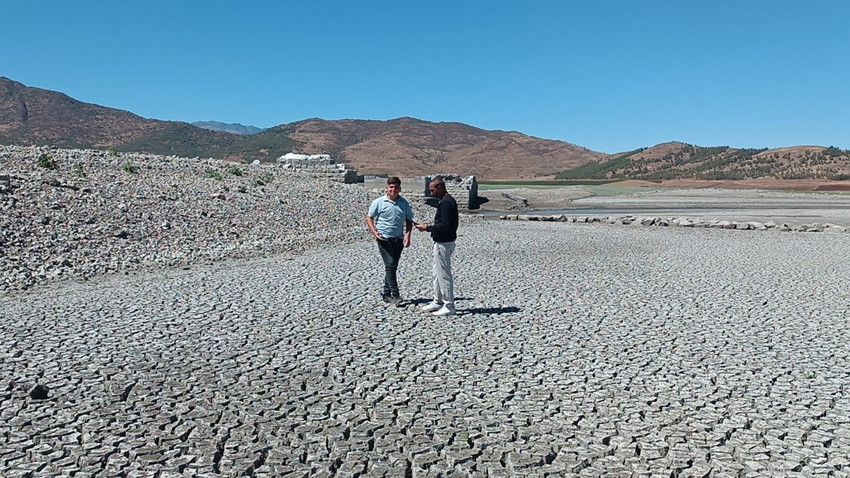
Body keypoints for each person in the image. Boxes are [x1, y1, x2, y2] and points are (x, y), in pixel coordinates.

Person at [366, 176, 414, 305]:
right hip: (383, 239)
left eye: (396, 187)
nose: (393, 190)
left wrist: (408, 235)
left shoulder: (404, 203)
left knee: (392, 267)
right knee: (390, 265)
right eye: (391, 187)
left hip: (398, 239)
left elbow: (409, 220)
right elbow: (369, 217)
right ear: (387, 188)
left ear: (400, 189)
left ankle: (386, 294)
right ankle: (396, 295)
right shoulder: (378, 202)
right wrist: (375, 232)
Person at [415, 177, 459, 316]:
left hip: (444, 243)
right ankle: (437, 301)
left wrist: (427, 228)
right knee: (437, 273)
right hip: (441, 242)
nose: (431, 193)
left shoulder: (446, 203)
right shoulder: (446, 201)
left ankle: (449, 305)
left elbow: (445, 226)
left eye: (433, 190)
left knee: (444, 274)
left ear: (440, 187)